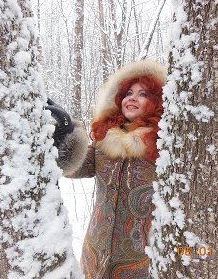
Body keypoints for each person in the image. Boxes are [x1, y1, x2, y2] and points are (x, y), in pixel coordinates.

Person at [47, 60, 167, 278]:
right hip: (95, 252)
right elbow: (75, 168)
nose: (132, 97)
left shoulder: (166, 147)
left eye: (143, 94)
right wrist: (64, 133)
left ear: (157, 101)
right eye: (128, 92)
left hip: (141, 260)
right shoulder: (107, 141)